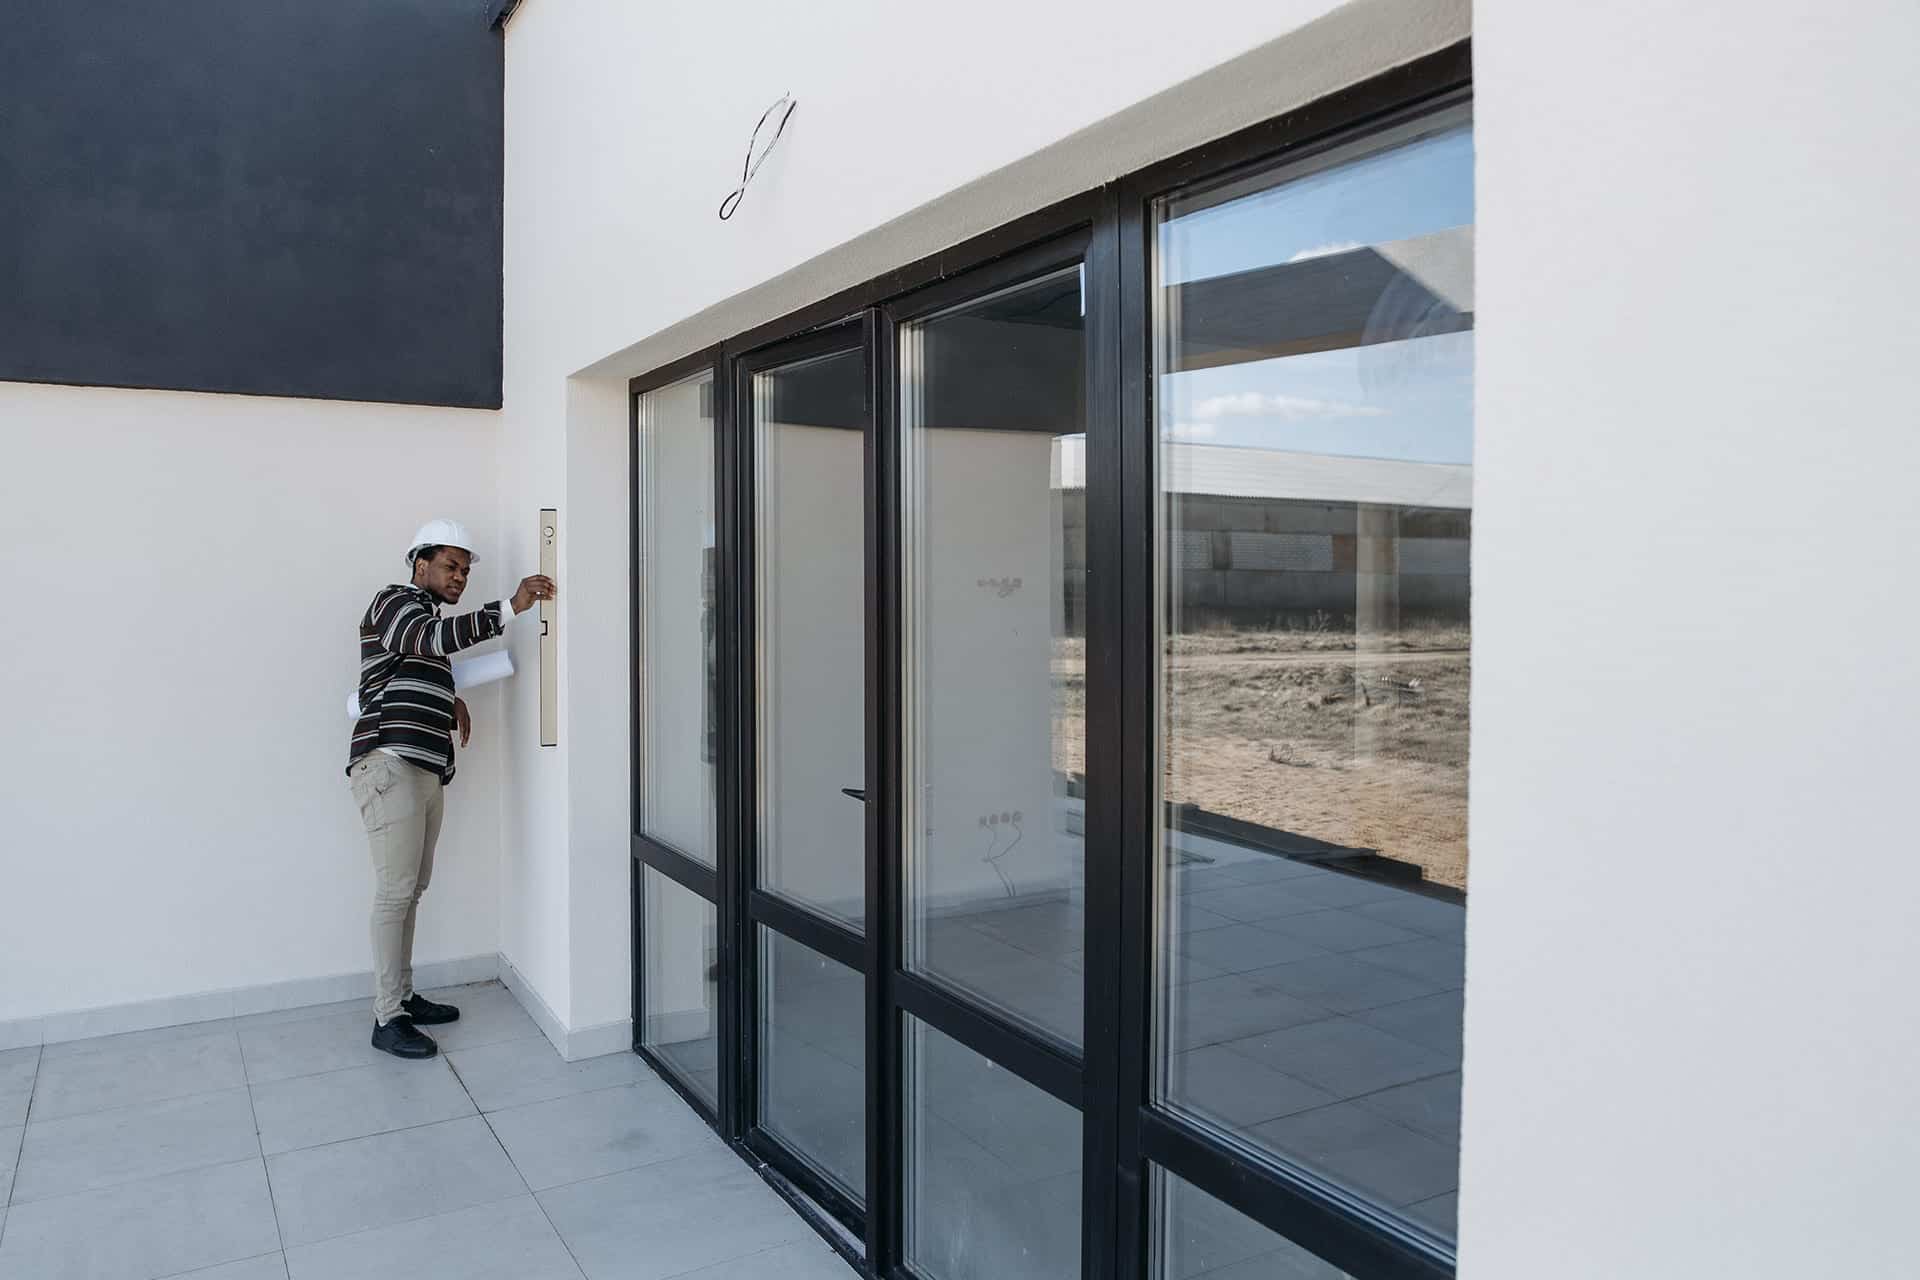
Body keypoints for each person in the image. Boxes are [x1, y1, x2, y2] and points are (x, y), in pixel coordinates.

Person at [347, 519, 555, 1059]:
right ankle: (387, 1017)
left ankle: (403, 997)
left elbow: (418, 662)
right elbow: (428, 639)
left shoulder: (425, 623)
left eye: (465, 570)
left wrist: (449, 697)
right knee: (395, 892)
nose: (460, 576)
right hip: (389, 763)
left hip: (421, 768)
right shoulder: (394, 602)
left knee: (411, 889)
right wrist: (510, 607)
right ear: (421, 566)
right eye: (451, 566)